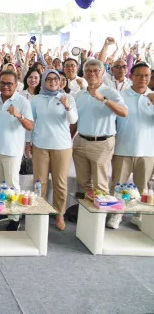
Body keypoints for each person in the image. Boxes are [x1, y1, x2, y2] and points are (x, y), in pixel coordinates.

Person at [30, 70, 78, 231]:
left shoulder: (68, 98)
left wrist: (67, 107)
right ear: (43, 81)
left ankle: (59, 214)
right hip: (40, 144)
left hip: (62, 146)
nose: (52, 82)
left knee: (60, 182)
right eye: (48, 79)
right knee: (39, 181)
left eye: (55, 79)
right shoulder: (36, 99)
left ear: (60, 81)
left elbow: (73, 120)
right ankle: (39, 212)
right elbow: (31, 121)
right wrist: (28, 141)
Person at [107, 63, 154, 229]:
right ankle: (116, 214)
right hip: (123, 148)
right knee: (118, 185)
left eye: (146, 76)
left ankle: (138, 215)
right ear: (131, 76)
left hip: (147, 151)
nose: (143, 79)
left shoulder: (152, 96)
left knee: (143, 187)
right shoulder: (121, 96)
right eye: (139, 75)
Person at [73, 58, 127, 200]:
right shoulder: (79, 95)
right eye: (88, 71)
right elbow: (74, 121)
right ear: (83, 73)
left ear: (102, 72)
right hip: (80, 142)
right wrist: (69, 139)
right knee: (83, 184)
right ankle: (85, 219)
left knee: (100, 186)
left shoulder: (111, 92)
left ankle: (98, 221)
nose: (92, 74)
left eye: (96, 71)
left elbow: (124, 112)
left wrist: (103, 99)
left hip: (102, 144)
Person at [0, 70, 34, 231]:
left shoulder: (22, 102)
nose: (5, 86)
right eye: (2, 83)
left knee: (13, 185)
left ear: (16, 85)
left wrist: (18, 115)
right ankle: (2, 211)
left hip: (13, 151)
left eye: (9, 84)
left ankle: (14, 216)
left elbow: (30, 126)